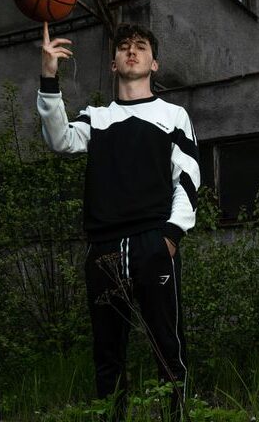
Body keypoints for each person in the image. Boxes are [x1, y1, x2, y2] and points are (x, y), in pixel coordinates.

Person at [36, 21, 200, 420]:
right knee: (108, 355)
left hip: (152, 244)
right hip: (103, 249)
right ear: (112, 64)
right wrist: (48, 75)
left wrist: (171, 236)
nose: (131, 51)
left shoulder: (173, 115)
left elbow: (190, 178)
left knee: (168, 347)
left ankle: (175, 418)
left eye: (141, 46)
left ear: (154, 63)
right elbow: (59, 139)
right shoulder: (97, 117)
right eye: (124, 46)